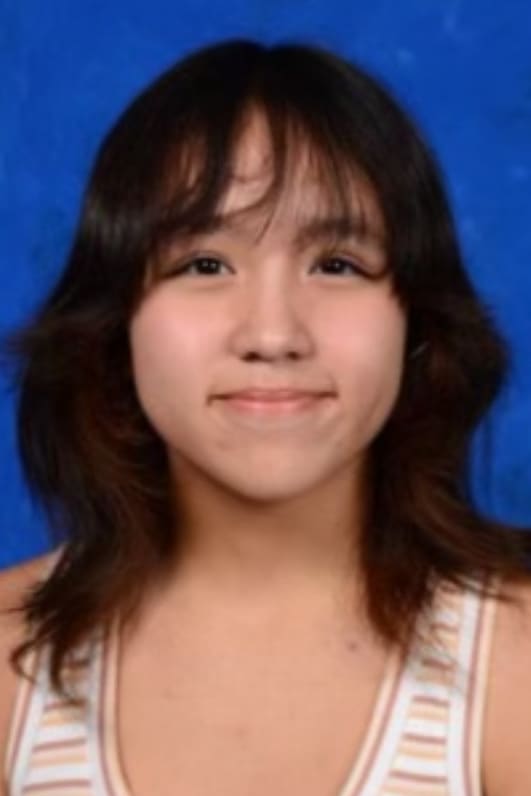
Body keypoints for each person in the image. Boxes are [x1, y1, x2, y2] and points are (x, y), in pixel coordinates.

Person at [0, 38, 530, 796]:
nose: (274, 335)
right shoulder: (10, 655)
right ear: (116, 324)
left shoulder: (517, 656)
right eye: (204, 265)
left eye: (336, 264)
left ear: (416, 321)